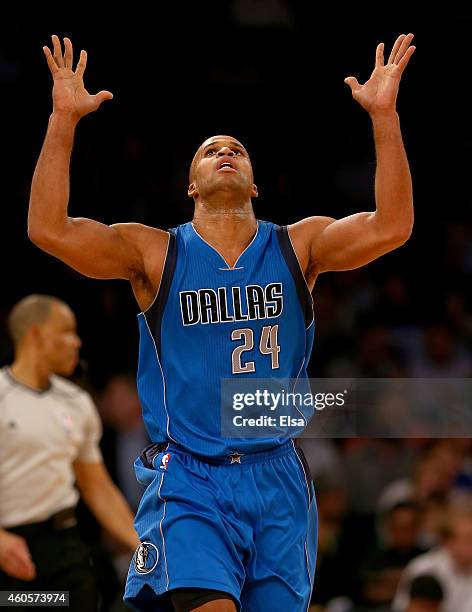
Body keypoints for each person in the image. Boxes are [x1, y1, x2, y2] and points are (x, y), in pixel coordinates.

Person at [28, 32, 415, 612]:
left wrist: (384, 116)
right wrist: (63, 120)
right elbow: (48, 230)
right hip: (190, 477)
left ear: (255, 184)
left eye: (234, 148)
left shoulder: (296, 246)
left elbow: (393, 226)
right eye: (210, 151)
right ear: (191, 186)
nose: (224, 153)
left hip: (278, 476)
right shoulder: (156, 255)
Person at [0, 295, 140, 611]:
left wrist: (142, 547)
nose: (76, 342)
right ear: (35, 335)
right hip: (12, 549)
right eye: (66, 331)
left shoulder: (77, 402)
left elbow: (98, 487)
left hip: (66, 546)